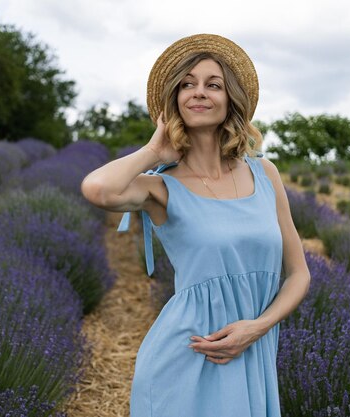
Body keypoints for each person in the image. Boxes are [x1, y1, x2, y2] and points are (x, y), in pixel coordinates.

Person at [80, 33, 310, 417]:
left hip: (253, 350)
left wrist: (257, 327)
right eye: (187, 84)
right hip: (189, 357)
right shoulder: (161, 186)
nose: (198, 92)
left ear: (230, 99)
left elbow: (299, 274)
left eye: (212, 84)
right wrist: (155, 150)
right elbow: (97, 189)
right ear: (175, 102)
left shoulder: (265, 173)